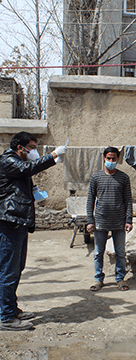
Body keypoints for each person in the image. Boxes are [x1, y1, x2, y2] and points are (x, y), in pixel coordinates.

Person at [0, 131, 67, 331]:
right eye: (31, 147)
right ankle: (6, 317)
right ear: (20, 148)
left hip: (18, 221)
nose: (34, 151)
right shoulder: (8, 160)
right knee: (8, 271)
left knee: (16, 269)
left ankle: (11, 309)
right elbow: (27, 168)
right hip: (9, 221)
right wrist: (53, 155)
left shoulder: (15, 162)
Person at [86, 147, 133, 292]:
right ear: (104, 159)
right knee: (98, 252)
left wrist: (129, 220)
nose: (111, 161)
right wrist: (90, 220)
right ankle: (98, 279)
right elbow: (90, 200)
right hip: (101, 221)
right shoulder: (96, 177)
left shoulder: (124, 178)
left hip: (119, 221)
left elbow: (128, 200)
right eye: (108, 158)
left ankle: (120, 279)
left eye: (113, 159)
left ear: (117, 160)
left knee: (120, 252)